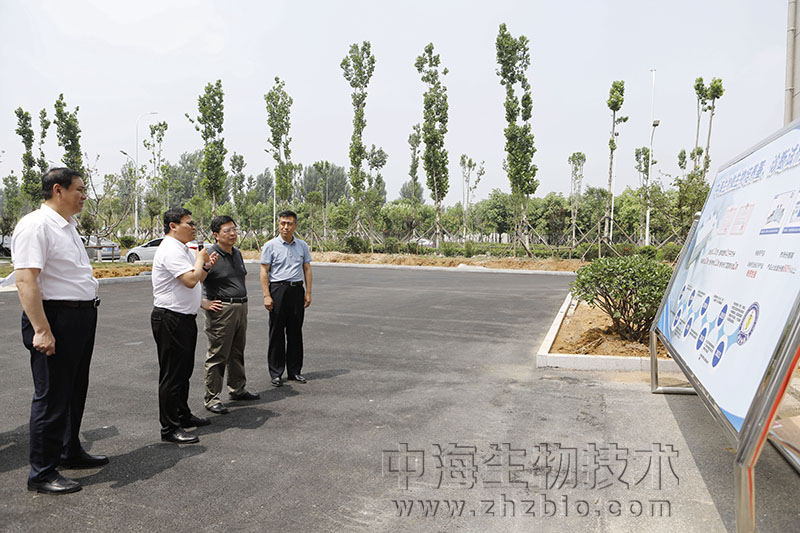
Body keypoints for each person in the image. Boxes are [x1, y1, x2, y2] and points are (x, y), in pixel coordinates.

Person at [11, 168, 108, 495]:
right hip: (54, 318)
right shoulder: (35, 226)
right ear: (58, 190)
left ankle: (69, 450)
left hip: (80, 317)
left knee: (74, 389)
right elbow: (25, 280)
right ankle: (41, 471)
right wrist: (41, 329)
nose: (84, 196)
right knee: (51, 395)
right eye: (79, 190)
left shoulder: (68, 226)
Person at [151, 207, 218, 444]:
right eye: (189, 223)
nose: (193, 228)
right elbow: (190, 281)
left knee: (183, 372)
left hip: (184, 318)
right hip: (170, 318)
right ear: (173, 226)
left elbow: (198, 277)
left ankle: (182, 414)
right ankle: (169, 428)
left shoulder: (181, 249)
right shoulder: (170, 249)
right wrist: (200, 260)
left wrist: (205, 266)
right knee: (172, 374)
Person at [201, 215, 259, 415]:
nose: (233, 233)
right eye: (227, 230)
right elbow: (192, 281)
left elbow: (241, 277)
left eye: (234, 229)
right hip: (221, 310)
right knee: (218, 353)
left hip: (240, 307)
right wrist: (203, 303)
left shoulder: (237, 254)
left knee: (237, 351)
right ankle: (212, 398)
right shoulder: (208, 255)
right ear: (216, 235)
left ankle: (237, 389)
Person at [260, 210, 312, 387]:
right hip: (278, 290)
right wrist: (267, 295)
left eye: (289, 223)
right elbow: (264, 271)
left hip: (296, 290)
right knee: (276, 332)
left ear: (295, 225)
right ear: (278, 224)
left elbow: (307, 269)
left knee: (295, 332)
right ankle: (276, 372)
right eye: (282, 223)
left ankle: (295, 371)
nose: (285, 227)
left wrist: (308, 292)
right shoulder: (270, 245)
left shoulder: (302, 246)